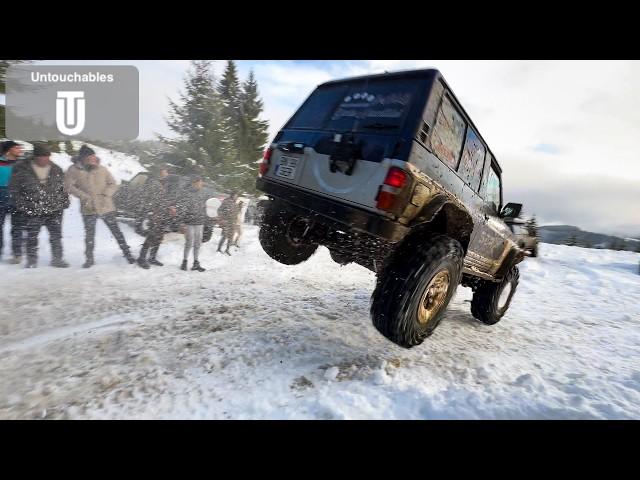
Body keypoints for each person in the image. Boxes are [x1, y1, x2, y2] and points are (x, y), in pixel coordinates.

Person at [65, 144, 136, 268]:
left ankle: (127, 253)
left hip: (105, 206)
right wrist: (83, 196)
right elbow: (68, 186)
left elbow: (113, 184)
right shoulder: (73, 170)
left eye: (93, 156)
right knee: (89, 234)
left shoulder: (102, 169)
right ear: (83, 157)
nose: (93, 158)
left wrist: (106, 194)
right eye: (90, 156)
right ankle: (89, 259)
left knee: (116, 231)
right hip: (88, 206)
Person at [9, 143, 70, 268]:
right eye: (41, 156)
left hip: (54, 209)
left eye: (47, 156)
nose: (44, 159)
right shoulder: (21, 168)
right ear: (34, 156)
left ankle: (57, 259)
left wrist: (64, 201)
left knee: (56, 236)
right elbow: (14, 189)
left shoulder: (56, 169)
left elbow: (62, 188)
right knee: (32, 236)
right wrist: (23, 206)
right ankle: (32, 261)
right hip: (32, 208)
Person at [136, 165, 176, 269]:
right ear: (159, 173)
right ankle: (141, 258)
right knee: (151, 236)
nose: (165, 174)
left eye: (166, 172)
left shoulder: (165, 184)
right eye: (163, 172)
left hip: (162, 215)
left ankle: (152, 257)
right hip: (154, 214)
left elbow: (164, 200)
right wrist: (152, 212)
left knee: (158, 237)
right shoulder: (153, 183)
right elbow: (151, 199)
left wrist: (170, 207)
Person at [0, 140, 26, 264]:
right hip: (1, 197)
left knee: (17, 227)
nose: (20, 150)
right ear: (9, 150)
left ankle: (17, 254)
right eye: (17, 148)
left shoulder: (22, 164)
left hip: (17, 198)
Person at [177, 176, 208, 272]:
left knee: (198, 243)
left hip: (200, 222)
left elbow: (207, 207)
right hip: (189, 222)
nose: (201, 184)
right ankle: (184, 262)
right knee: (189, 243)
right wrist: (182, 222)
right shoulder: (188, 193)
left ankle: (195, 263)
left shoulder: (203, 194)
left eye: (201, 182)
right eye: (199, 182)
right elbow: (183, 208)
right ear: (194, 183)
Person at [217, 191, 240, 255]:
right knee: (225, 235)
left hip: (233, 222)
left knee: (231, 236)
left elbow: (236, 213)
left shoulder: (236, 204)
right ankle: (219, 248)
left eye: (237, 196)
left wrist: (236, 222)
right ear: (232, 195)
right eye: (236, 196)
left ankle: (227, 249)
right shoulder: (226, 202)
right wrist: (222, 219)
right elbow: (219, 210)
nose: (236, 197)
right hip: (226, 221)